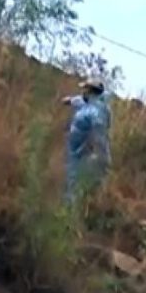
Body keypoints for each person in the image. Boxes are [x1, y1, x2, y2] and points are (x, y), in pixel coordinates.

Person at [61, 77, 112, 206]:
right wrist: (69, 101)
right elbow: (77, 100)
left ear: (90, 91)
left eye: (85, 89)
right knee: (73, 184)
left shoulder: (97, 112)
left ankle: (76, 217)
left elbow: (99, 136)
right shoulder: (87, 103)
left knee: (82, 189)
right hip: (77, 155)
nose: (82, 91)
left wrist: (95, 156)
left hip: (87, 157)